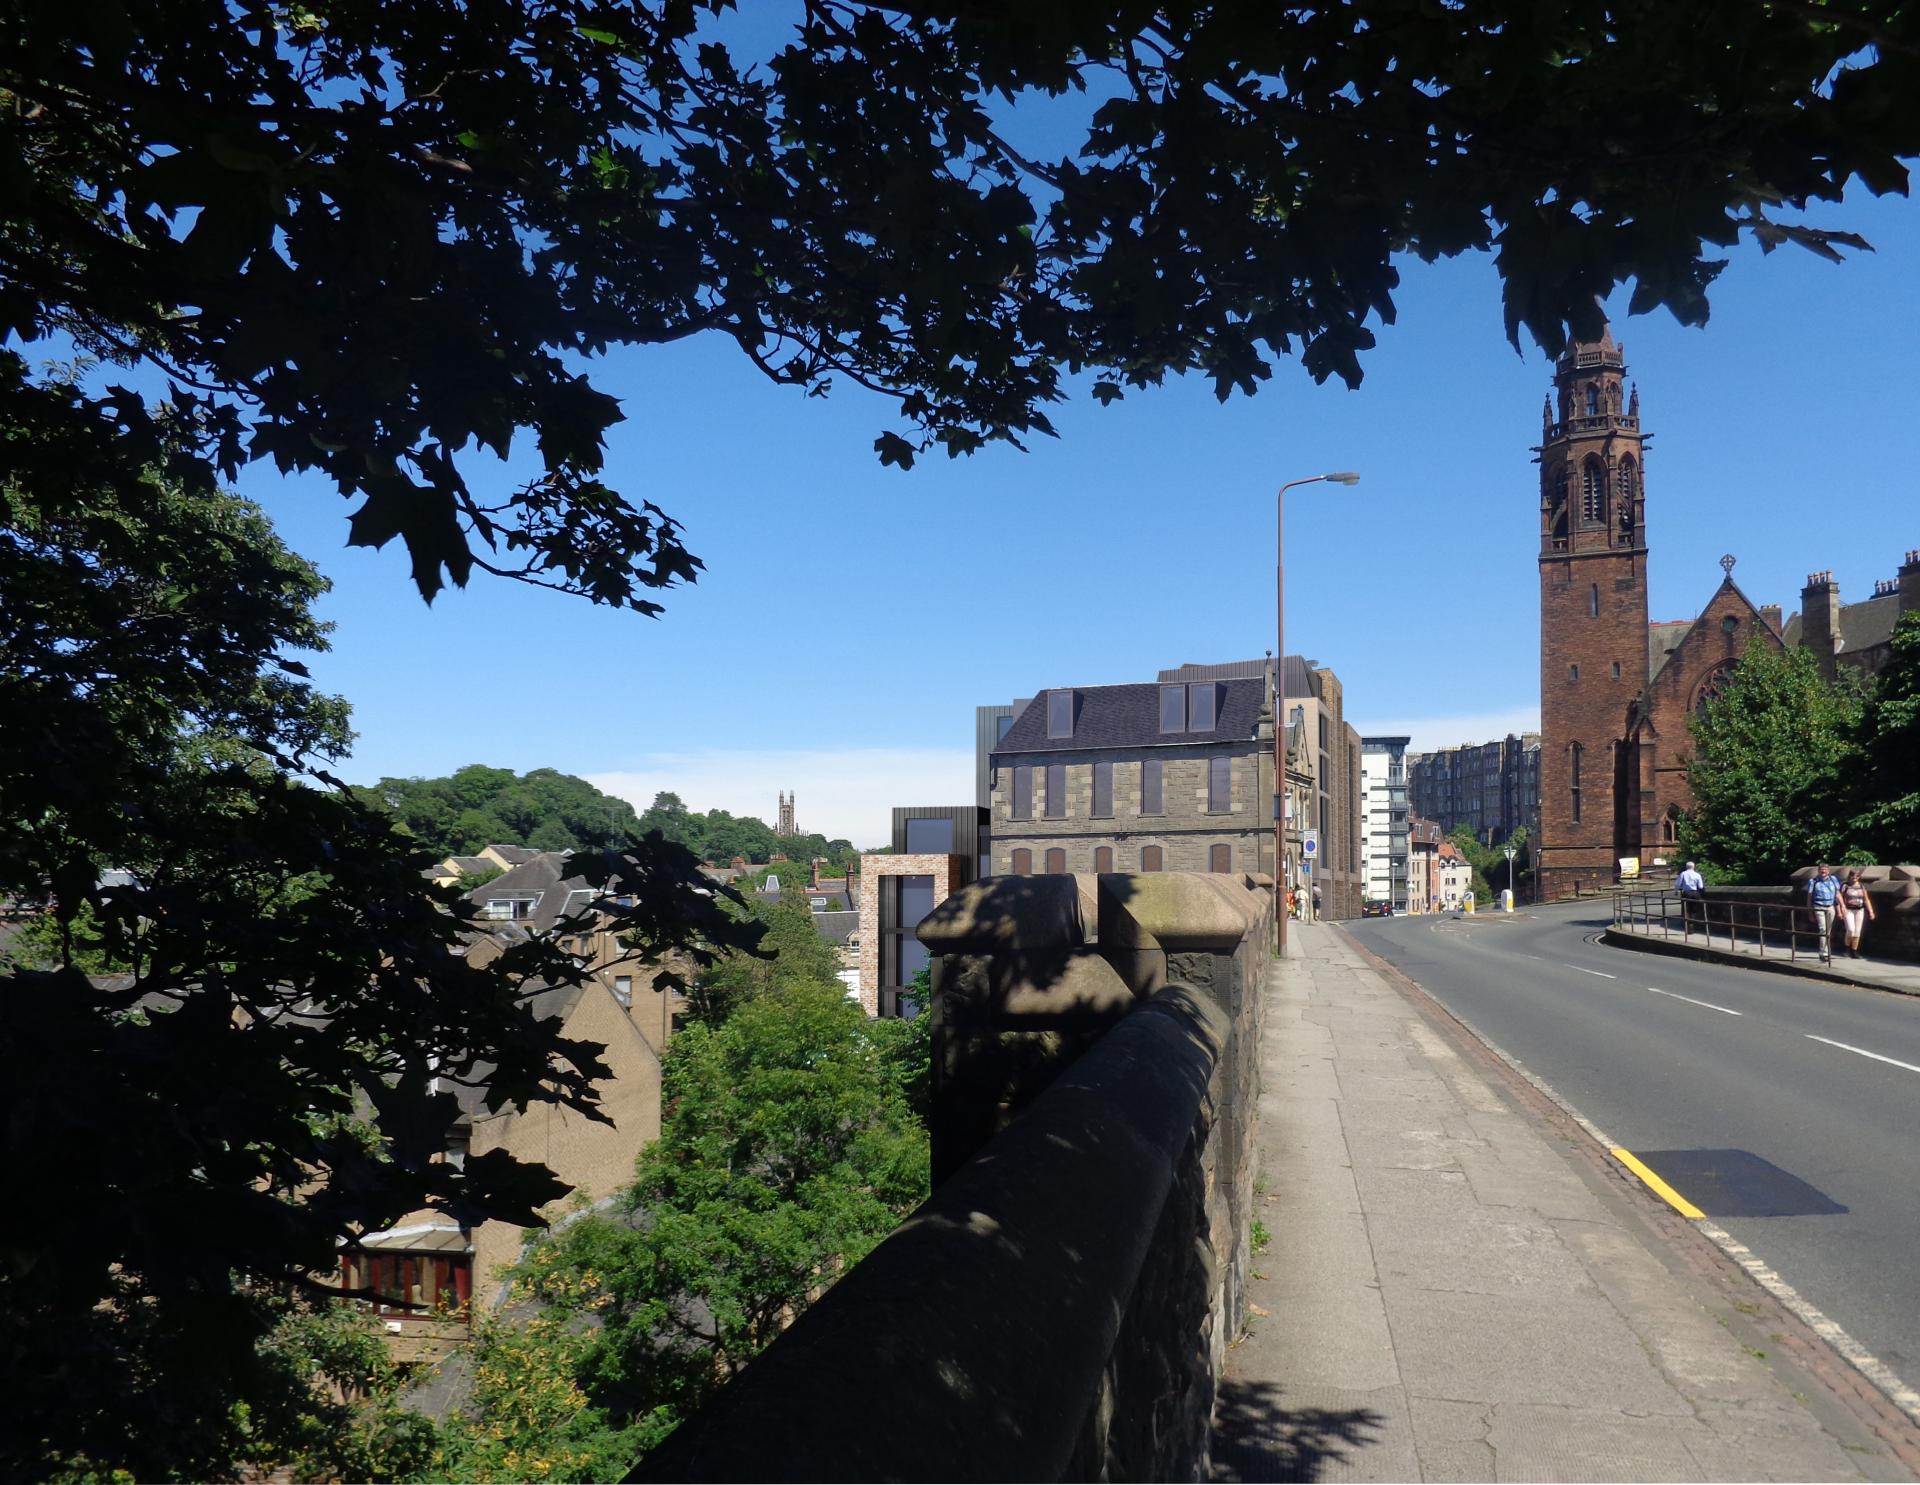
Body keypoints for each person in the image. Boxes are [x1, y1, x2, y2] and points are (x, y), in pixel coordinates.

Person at [1804, 863, 1840, 963]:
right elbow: (1809, 897)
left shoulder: (1833, 880)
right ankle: (1823, 953)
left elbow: (1837, 894)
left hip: (1830, 906)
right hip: (1818, 906)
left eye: (1825, 870)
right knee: (1822, 929)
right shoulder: (1813, 881)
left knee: (1828, 930)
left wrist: (1842, 908)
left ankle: (1827, 951)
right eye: (1821, 870)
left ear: (1828, 871)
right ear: (1818, 871)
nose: (1823, 872)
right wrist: (1810, 912)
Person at [1838, 870, 1876, 960]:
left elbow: (1866, 899)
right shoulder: (1845, 886)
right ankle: (1846, 948)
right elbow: (1840, 898)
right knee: (1851, 929)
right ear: (1849, 876)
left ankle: (1854, 951)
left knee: (1857, 931)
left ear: (1859, 877)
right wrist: (1840, 910)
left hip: (1859, 910)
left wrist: (1871, 911)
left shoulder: (1861, 886)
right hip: (1848, 910)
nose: (1854, 878)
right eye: (1853, 876)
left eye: (1857, 876)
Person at [1676, 860, 1705, 929]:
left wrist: (1676, 891)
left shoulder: (1683, 874)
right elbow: (1700, 886)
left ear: (1686, 867)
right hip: (1695, 893)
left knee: (1686, 908)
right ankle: (1692, 923)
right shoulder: (1697, 875)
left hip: (1686, 893)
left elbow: (1678, 884)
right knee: (1694, 909)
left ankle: (1687, 925)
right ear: (1694, 867)